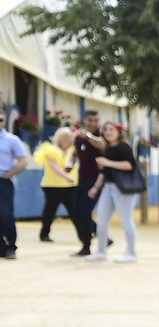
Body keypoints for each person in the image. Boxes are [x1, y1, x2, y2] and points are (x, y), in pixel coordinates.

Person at [86, 122, 139, 262]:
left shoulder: (124, 147)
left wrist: (108, 162)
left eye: (111, 129)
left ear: (118, 131)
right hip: (108, 187)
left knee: (126, 219)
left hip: (123, 188)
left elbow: (130, 165)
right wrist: (96, 187)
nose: (108, 132)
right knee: (102, 219)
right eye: (106, 130)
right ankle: (101, 251)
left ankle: (131, 252)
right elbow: (103, 172)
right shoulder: (107, 148)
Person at [72, 110, 106, 257]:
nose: (93, 123)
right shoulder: (79, 138)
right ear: (84, 120)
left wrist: (89, 136)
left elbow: (102, 146)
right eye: (90, 120)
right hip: (82, 179)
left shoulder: (101, 135)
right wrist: (70, 163)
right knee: (78, 212)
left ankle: (86, 247)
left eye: (96, 120)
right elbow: (76, 153)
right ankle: (103, 237)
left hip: (97, 181)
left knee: (85, 213)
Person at [35, 128, 78, 242]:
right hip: (53, 185)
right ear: (62, 140)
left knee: (75, 211)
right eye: (69, 141)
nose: (70, 144)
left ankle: (83, 234)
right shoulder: (51, 150)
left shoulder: (70, 152)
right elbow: (54, 167)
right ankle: (44, 233)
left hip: (69, 186)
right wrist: (66, 176)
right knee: (50, 210)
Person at [0, 125, 28, 259]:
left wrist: (9, 174)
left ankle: (11, 246)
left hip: (4, 181)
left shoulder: (11, 140)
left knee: (5, 214)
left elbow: (23, 161)